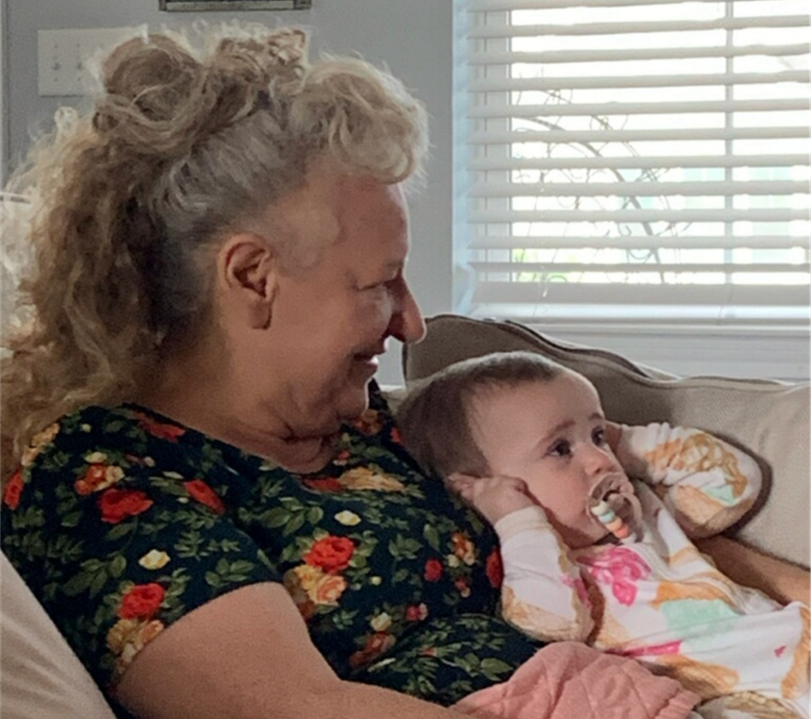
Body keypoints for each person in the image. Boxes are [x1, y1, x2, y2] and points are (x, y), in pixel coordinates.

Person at [0, 22, 805, 719]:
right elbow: (297, 711)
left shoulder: (362, 423)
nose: (413, 322)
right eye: (378, 282)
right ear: (252, 277)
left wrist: (782, 592)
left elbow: (614, 534)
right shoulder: (106, 477)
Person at [396, 351, 811, 719]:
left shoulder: (649, 510)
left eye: (596, 436)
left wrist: (625, 443)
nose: (598, 460)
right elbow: (553, 626)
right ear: (483, 489)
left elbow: (734, 483)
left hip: (797, 642)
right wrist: (518, 521)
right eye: (560, 449)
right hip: (730, 697)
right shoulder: (536, 563)